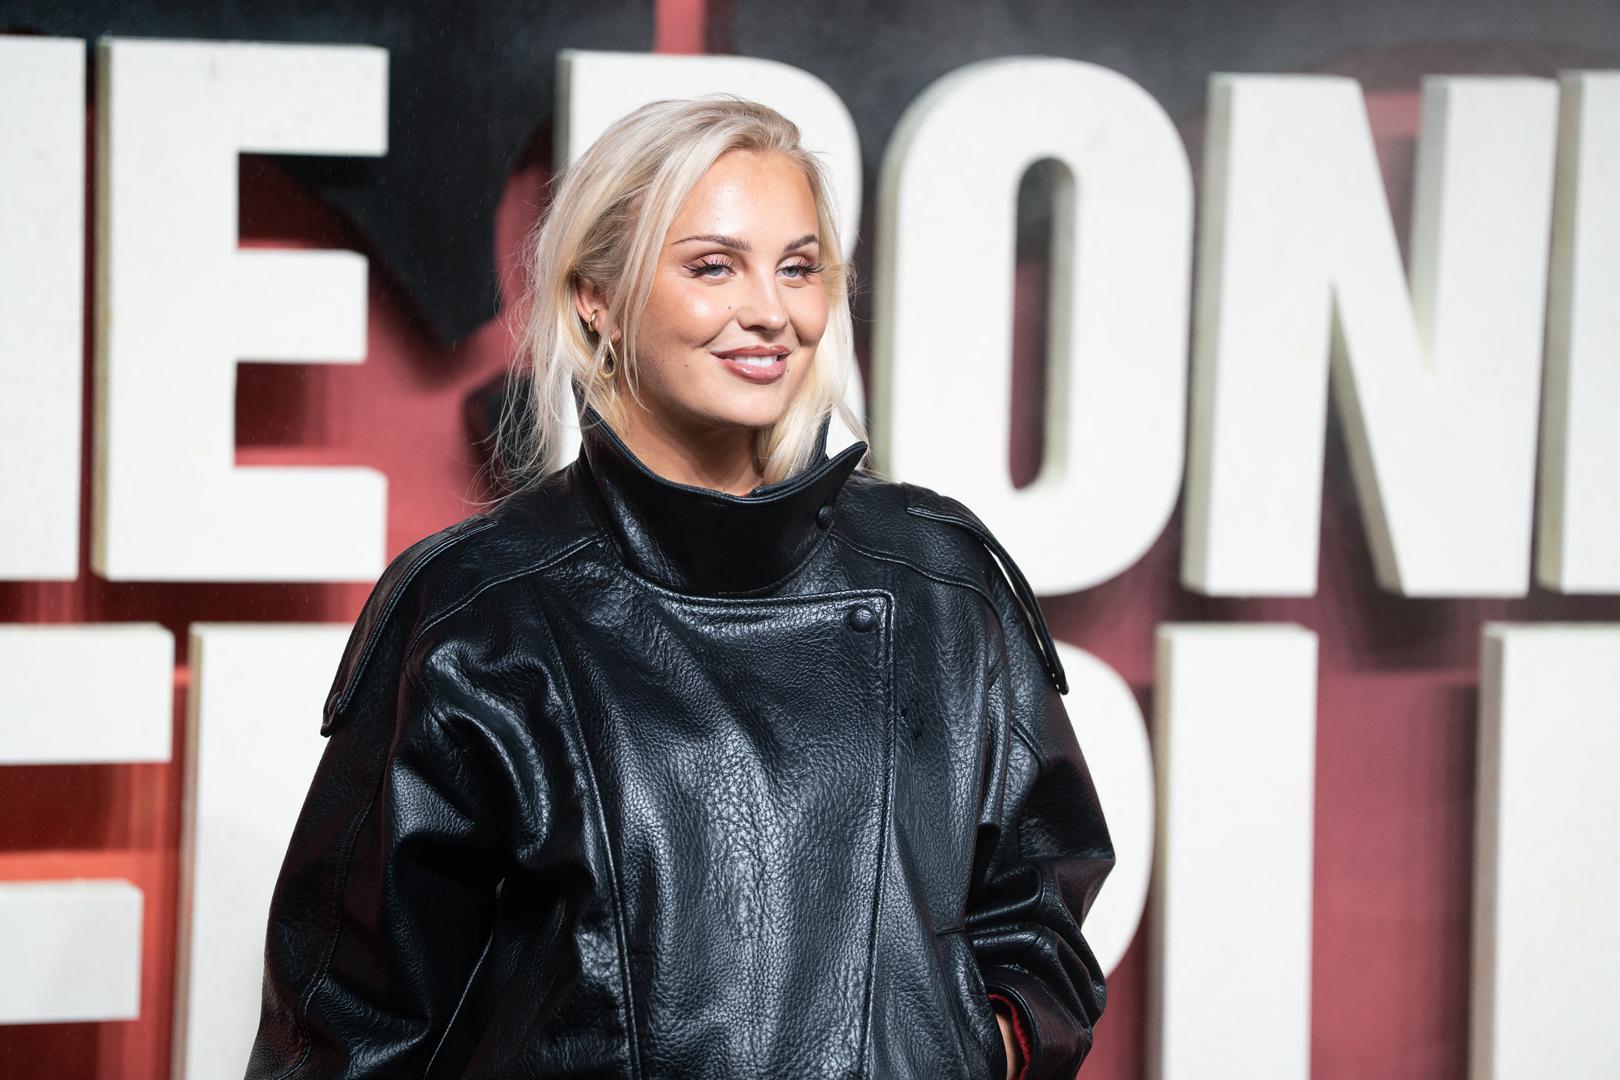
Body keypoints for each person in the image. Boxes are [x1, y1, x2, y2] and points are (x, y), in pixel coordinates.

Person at [245, 93, 1113, 1080]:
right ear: (595, 299)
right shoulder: (479, 613)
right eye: (713, 266)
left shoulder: (941, 583)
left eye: (799, 267)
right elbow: (350, 1025)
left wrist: (969, 1047)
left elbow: (1040, 913)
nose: (771, 311)